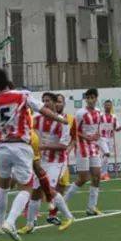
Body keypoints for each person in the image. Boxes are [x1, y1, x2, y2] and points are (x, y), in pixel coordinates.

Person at [0, 68, 68, 241]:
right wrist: (59, 118)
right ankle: (9, 222)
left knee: (3, 187)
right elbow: (42, 109)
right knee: (26, 188)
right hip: (21, 146)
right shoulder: (22, 96)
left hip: (2, 148)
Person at [19, 93, 75, 235]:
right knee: (36, 192)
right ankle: (30, 225)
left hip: (57, 162)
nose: (45, 103)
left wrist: (43, 146)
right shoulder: (36, 119)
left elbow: (63, 145)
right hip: (42, 161)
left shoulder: (63, 122)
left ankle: (69, 217)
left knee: (48, 188)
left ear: (56, 103)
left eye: (48, 101)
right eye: (43, 101)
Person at [68, 88, 104, 216]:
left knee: (97, 176)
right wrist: (87, 137)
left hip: (93, 147)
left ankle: (91, 207)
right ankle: (61, 203)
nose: (90, 100)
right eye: (88, 98)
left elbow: (97, 129)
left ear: (96, 99)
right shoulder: (80, 113)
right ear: (85, 99)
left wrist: (97, 136)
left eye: (92, 98)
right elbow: (75, 131)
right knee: (83, 178)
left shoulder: (99, 112)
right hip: (82, 147)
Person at [48, 93, 77, 224]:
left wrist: (69, 149)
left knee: (62, 185)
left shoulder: (70, 119)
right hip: (47, 158)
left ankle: (52, 213)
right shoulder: (47, 118)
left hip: (62, 157)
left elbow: (74, 137)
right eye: (57, 101)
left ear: (64, 104)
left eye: (61, 102)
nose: (58, 104)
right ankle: (31, 213)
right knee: (44, 186)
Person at [99, 99, 121, 181]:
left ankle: (103, 174)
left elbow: (116, 128)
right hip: (102, 138)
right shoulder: (100, 115)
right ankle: (100, 173)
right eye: (106, 105)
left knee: (106, 157)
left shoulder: (114, 116)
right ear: (104, 106)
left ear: (111, 106)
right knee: (107, 154)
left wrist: (119, 128)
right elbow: (96, 125)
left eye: (109, 105)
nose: (108, 106)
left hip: (110, 139)